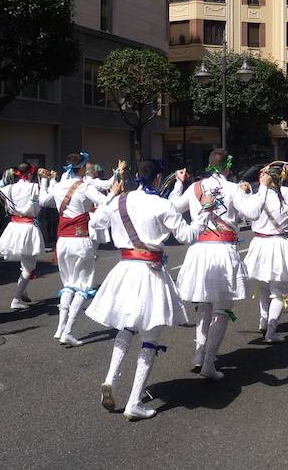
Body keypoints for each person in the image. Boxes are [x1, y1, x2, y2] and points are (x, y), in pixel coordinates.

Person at [86, 159, 214, 421]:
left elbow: (96, 223)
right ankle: (134, 401)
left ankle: (110, 378)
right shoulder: (162, 205)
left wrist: (111, 197)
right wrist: (205, 213)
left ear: (136, 176)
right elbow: (188, 236)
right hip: (150, 272)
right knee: (150, 337)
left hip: (124, 270)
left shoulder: (121, 200)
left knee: (126, 327)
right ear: (157, 178)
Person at [169, 148, 256, 380]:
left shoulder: (195, 187)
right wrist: (257, 190)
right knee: (222, 309)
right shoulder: (233, 188)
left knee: (204, 304)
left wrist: (179, 182)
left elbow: (174, 206)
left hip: (199, 250)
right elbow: (253, 212)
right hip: (223, 250)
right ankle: (208, 363)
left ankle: (199, 355)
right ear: (227, 166)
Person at [40, 153, 108, 346]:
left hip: (62, 241)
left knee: (68, 283)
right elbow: (104, 203)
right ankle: (68, 331)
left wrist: (45, 181)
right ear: (82, 167)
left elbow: (43, 201)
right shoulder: (85, 186)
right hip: (80, 239)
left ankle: (60, 328)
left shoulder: (59, 185)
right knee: (83, 286)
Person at [240, 164, 288, 343]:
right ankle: (271, 331)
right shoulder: (284, 200)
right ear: (281, 179)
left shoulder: (256, 196)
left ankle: (263, 321)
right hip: (278, 244)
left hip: (259, 244)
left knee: (263, 286)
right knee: (279, 292)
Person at [0, 162, 47, 310]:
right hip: (28, 228)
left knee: (26, 265)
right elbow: (44, 198)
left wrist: (4, 179)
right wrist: (45, 179)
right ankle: (16, 299)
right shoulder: (35, 187)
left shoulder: (9, 187)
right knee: (29, 266)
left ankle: (22, 290)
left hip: (14, 227)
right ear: (30, 173)